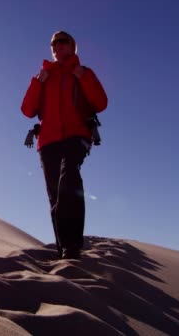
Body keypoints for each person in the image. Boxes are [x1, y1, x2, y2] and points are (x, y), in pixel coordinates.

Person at [21, 31, 108, 259]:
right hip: (48, 142)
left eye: (62, 42)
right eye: (53, 43)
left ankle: (72, 246)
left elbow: (101, 102)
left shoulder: (83, 72)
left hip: (76, 136)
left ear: (72, 46)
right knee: (55, 196)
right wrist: (38, 82)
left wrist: (83, 77)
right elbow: (27, 110)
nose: (57, 46)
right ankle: (64, 250)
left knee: (69, 178)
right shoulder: (44, 76)